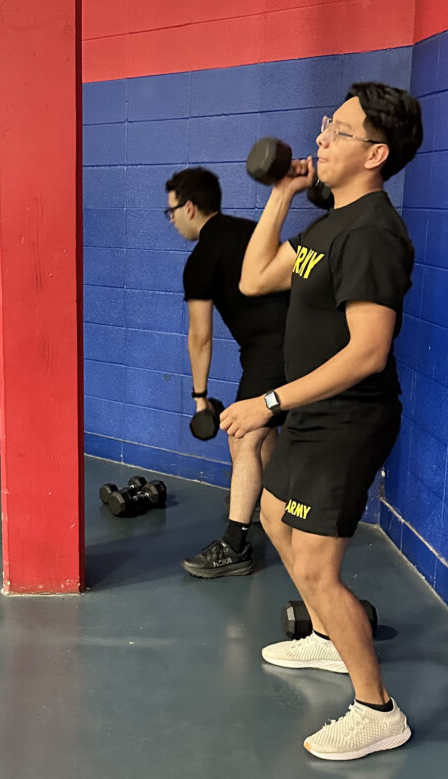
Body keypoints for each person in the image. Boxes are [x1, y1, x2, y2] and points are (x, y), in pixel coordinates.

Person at [221, 82, 423, 760]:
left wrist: (270, 401)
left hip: (347, 420)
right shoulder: (328, 223)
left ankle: (377, 707)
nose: (320, 139)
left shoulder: (372, 233)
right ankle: (331, 638)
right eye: (324, 127)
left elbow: (368, 352)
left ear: (376, 153)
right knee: (276, 518)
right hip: (312, 413)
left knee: (315, 562)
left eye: (337, 131)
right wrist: (281, 192)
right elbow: (254, 277)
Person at [164, 167, 289, 578]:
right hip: (298, 341)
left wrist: (200, 397)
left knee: (243, 436)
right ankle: (260, 504)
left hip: (272, 350)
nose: (172, 220)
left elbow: (200, 337)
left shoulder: (200, 260)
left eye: (172, 212)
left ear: (191, 207)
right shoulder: (250, 229)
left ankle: (235, 546)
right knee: (262, 431)